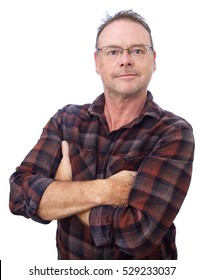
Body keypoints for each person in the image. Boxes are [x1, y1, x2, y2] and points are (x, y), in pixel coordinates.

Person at [9, 10, 195, 260]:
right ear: (98, 62)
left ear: (153, 60)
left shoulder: (173, 133)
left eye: (137, 50)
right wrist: (105, 190)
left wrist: (63, 194)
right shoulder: (67, 121)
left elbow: (137, 235)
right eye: (113, 51)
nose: (126, 59)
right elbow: (18, 195)